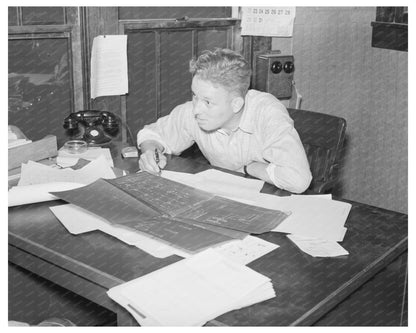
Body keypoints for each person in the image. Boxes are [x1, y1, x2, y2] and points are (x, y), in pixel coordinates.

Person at [137, 48, 312, 193]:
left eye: (207, 102)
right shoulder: (195, 110)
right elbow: (152, 133)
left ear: (236, 104)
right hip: (225, 194)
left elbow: (298, 179)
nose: (196, 109)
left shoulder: (267, 113)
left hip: (270, 196)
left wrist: (249, 168)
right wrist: (150, 152)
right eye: (195, 96)